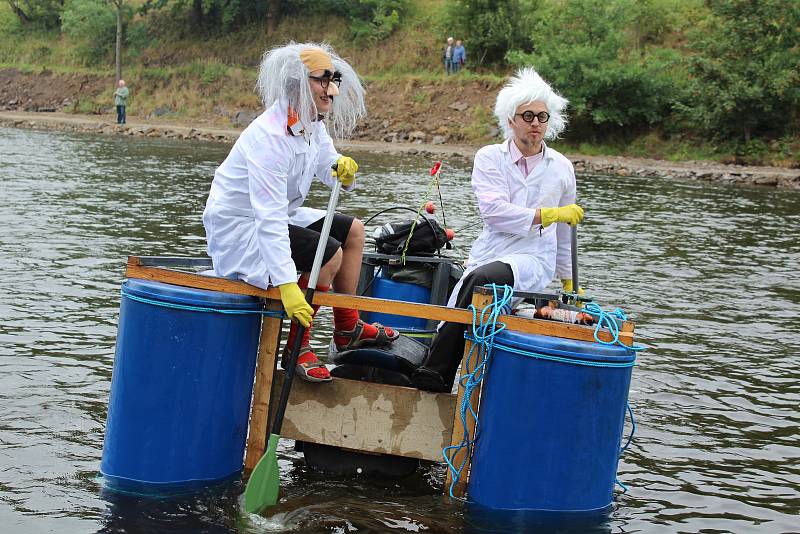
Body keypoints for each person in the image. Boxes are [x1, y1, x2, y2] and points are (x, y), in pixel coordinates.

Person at [202, 42, 398, 383]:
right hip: (241, 229)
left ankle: (347, 326)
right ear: (297, 83)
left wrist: (340, 168)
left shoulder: (311, 122)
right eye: (323, 79)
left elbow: (325, 163)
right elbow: (269, 218)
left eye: (333, 79)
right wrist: (285, 284)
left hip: (277, 216)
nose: (332, 89)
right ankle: (296, 347)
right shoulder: (268, 138)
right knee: (330, 255)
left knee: (353, 232)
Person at [410, 67, 585, 392]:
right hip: (493, 249)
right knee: (467, 294)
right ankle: (448, 380)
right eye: (528, 116)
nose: (536, 124)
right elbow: (494, 213)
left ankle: (435, 371)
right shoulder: (490, 157)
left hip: (534, 256)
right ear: (511, 120)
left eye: (542, 117)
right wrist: (550, 213)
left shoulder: (562, 167)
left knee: (481, 280)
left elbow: (564, 232)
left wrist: (568, 278)